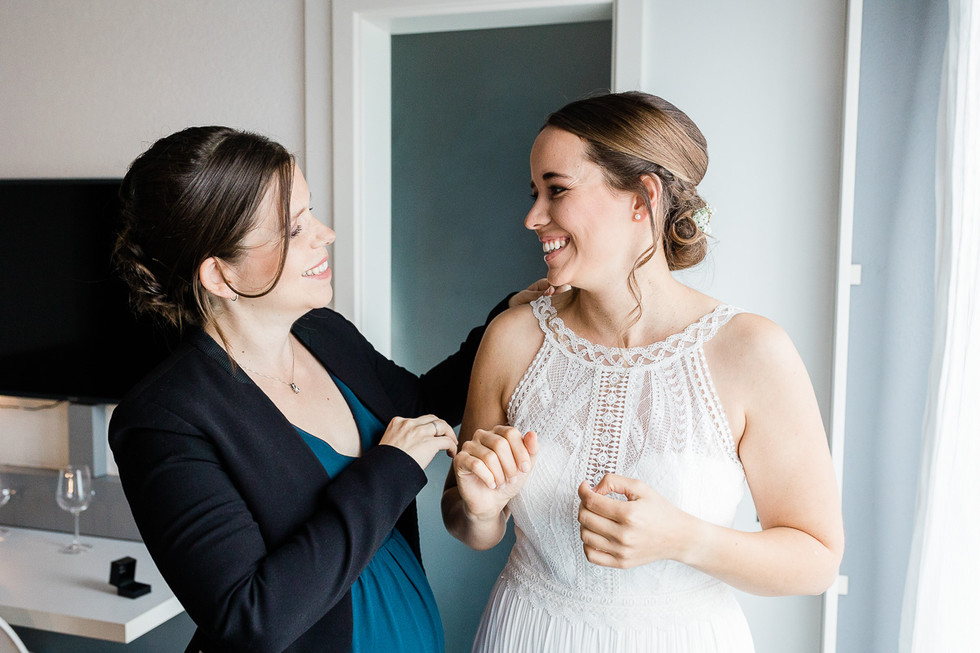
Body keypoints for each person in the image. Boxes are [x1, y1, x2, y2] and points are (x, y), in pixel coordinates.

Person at [108, 126, 551, 653]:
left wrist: (509, 318)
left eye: (310, 212)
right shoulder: (162, 420)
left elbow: (417, 408)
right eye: (294, 230)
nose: (325, 234)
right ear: (220, 274)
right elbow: (253, 617)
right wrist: (389, 470)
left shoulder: (323, 331)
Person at [442, 92, 845, 652]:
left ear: (641, 197)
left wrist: (686, 539)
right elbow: (468, 526)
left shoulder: (751, 351)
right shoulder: (511, 338)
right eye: (534, 193)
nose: (532, 217)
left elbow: (816, 559)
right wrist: (480, 508)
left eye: (556, 189)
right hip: (529, 633)